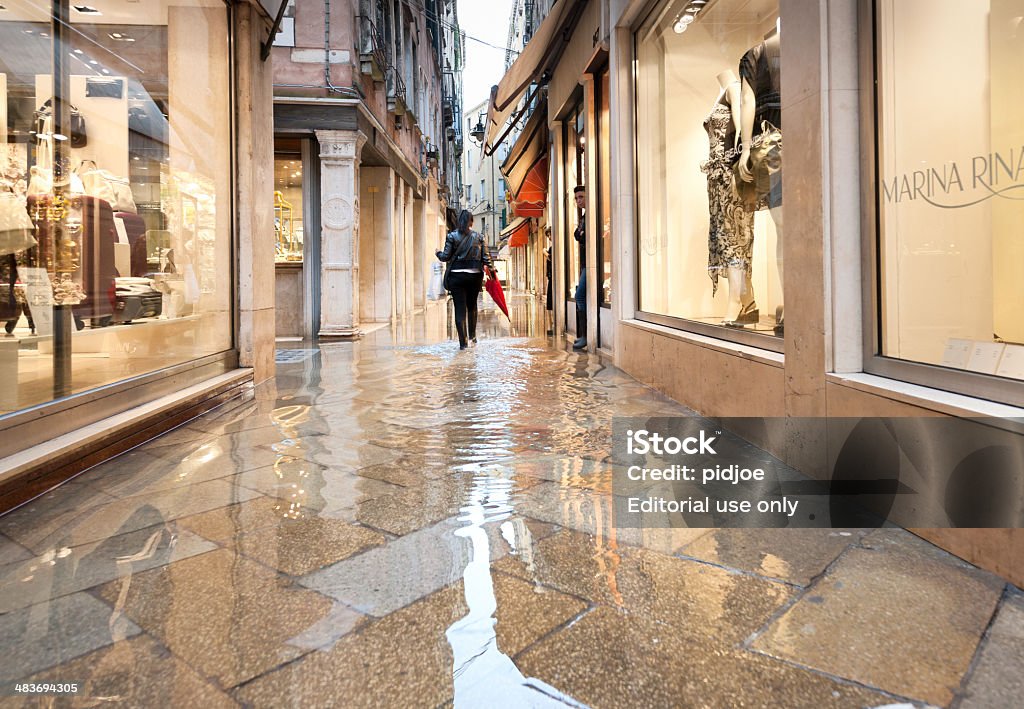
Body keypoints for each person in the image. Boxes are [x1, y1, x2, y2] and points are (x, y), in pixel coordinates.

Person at [437, 209, 494, 350]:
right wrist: (492, 271)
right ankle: (473, 337)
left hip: (456, 277)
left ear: (458, 221)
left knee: (460, 309)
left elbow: (445, 257)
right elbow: (486, 258)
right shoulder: (479, 237)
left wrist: (437, 252)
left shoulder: (451, 236)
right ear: (471, 222)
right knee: (472, 306)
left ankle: (463, 344)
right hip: (474, 277)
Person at [572, 186, 587, 350]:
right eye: (576, 198)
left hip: (592, 263)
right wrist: (581, 234)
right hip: (585, 263)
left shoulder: (590, 215)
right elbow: (577, 234)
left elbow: (581, 235)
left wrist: (581, 234)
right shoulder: (583, 217)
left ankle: (585, 336)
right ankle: (584, 335)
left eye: (581, 197)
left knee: (579, 296)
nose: (578, 201)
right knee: (581, 296)